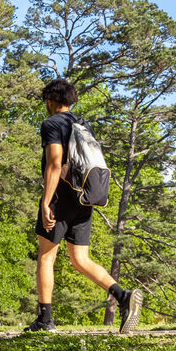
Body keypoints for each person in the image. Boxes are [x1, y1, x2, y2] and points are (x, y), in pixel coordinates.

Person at [30, 78, 143, 333]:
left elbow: (55, 163)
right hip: (84, 196)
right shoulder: (83, 124)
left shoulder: (51, 123)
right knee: (80, 258)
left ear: (50, 101)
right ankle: (123, 297)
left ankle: (45, 320)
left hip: (60, 196)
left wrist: (46, 202)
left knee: (46, 257)